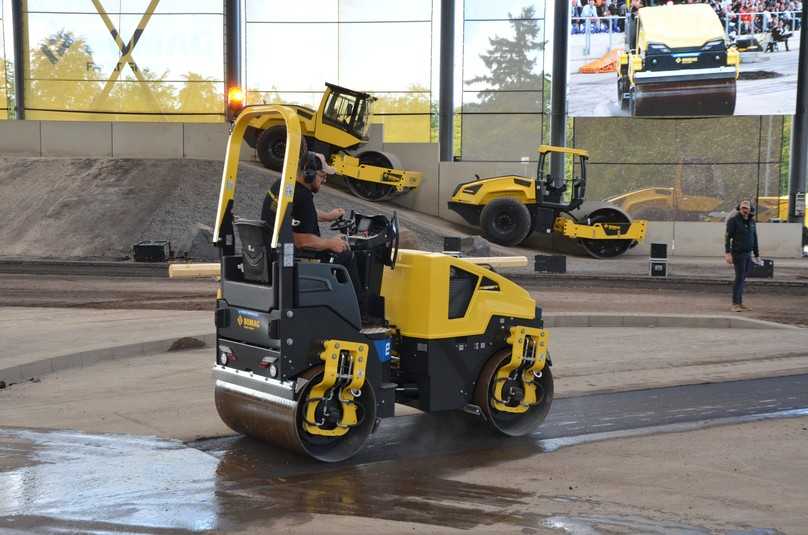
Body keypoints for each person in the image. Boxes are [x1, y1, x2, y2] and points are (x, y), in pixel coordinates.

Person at [724, 200, 761, 312]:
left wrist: (757, 255)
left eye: (746, 208)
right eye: (742, 208)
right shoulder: (733, 221)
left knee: (743, 278)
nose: (744, 210)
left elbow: (754, 238)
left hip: (748, 254)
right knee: (739, 278)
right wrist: (727, 253)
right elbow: (727, 237)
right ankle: (735, 304)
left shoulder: (752, 222)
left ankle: (739, 303)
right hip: (738, 253)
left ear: (750, 209)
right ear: (739, 209)